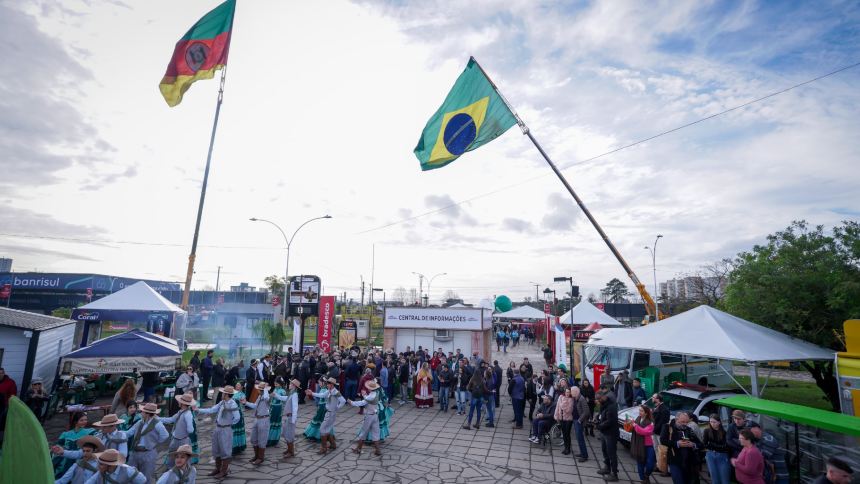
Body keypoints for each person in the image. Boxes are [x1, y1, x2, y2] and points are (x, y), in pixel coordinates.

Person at [196, 385, 240, 479]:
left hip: (225, 429)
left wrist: (228, 424)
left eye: (223, 393)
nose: (222, 394)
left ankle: (224, 471)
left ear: (227, 394)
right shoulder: (222, 402)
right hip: (218, 428)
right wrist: (198, 409)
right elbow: (212, 409)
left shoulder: (233, 404)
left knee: (225, 450)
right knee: (216, 449)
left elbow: (237, 417)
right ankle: (218, 468)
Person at [53, 413, 128, 468]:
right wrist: (63, 452)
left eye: (104, 427)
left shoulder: (121, 435)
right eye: (101, 427)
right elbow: (81, 453)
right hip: (98, 467)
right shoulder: (98, 436)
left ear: (113, 426)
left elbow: (123, 455)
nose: (102, 429)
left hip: (114, 467)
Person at [126, 402, 169, 484]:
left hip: (148, 453)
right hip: (135, 452)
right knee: (131, 475)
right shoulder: (140, 422)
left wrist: (154, 443)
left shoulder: (157, 424)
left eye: (142, 411)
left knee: (146, 477)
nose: (141, 412)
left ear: (148, 414)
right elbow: (129, 433)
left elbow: (165, 435)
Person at [306, 377, 346, 455]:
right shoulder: (329, 391)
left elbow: (343, 401)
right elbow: (322, 395)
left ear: (332, 385)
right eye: (327, 383)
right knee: (327, 429)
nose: (327, 385)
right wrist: (312, 393)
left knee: (322, 429)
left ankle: (324, 448)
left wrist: (337, 407)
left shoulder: (335, 392)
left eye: (329, 383)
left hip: (331, 413)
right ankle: (333, 444)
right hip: (329, 412)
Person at [661, 411, 703, 484]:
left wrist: (693, 444)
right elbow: (663, 440)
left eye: (687, 422)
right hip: (674, 460)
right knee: (678, 481)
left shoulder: (688, 429)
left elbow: (700, 444)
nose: (685, 424)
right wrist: (677, 444)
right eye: (682, 422)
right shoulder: (667, 427)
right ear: (677, 419)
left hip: (688, 461)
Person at [52, 413, 97, 478]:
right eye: (81, 420)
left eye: (85, 420)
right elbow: (59, 446)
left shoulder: (90, 432)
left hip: (81, 457)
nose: (84, 422)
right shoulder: (66, 434)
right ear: (76, 421)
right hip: (66, 460)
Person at [160, 393, 198, 469]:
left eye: (179, 401)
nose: (178, 402)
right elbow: (171, 419)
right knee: (171, 457)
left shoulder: (188, 414)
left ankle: (184, 476)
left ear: (182, 403)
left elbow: (190, 430)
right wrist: (157, 419)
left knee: (184, 461)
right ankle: (171, 473)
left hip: (183, 440)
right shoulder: (181, 412)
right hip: (175, 439)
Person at [348, 380, 382, 456]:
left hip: (369, 415)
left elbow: (363, 402)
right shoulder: (376, 393)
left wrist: (352, 402)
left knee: (363, 432)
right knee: (375, 433)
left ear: (370, 388)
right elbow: (368, 398)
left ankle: (358, 449)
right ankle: (378, 450)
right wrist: (364, 395)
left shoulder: (370, 396)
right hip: (375, 415)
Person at [241, 381, 271, 465]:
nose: (257, 390)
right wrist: (245, 403)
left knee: (262, 439)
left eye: (259, 389)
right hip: (257, 419)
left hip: (264, 419)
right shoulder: (260, 396)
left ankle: (260, 458)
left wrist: (265, 389)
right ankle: (256, 455)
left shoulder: (266, 396)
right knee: (253, 439)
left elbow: (266, 398)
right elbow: (254, 406)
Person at [596, 390, 620, 482]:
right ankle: (607, 467)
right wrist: (597, 417)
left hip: (611, 433)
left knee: (612, 454)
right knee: (604, 450)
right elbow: (603, 415)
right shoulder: (604, 404)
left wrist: (599, 426)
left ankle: (614, 474)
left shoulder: (611, 406)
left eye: (598, 399)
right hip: (604, 432)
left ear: (603, 397)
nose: (597, 401)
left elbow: (610, 421)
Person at [272, 378, 300, 458]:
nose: (289, 385)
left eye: (291, 384)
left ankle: (291, 451)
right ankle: (289, 449)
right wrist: (276, 395)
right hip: (288, 416)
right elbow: (285, 398)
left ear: (294, 386)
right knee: (286, 433)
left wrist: (294, 419)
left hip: (291, 417)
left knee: (289, 434)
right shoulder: (291, 393)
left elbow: (295, 407)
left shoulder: (294, 395)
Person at [702, 413, 731, 484]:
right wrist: (713, 446)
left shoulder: (724, 432)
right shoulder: (707, 431)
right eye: (711, 422)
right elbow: (704, 444)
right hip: (711, 454)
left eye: (714, 422)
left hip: (722, 455)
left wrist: (712, 445)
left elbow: (725, 447)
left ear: (719, 422)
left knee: (724, 478)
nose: (712, 424)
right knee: (714, 477)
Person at [631, 404, 656, 484]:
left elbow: (644, 432)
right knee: (640, 462)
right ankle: (643, 479)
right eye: (639, 410)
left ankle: (646, 475)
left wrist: (635, 425)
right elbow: (634, 428)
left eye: (641, 411)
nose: (640, 412)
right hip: (638, 444)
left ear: (646, 413)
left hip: (648, 445)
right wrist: (629, 425)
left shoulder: (651, 422)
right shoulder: (638, 418)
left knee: (650, 463)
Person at [652, 393, 670, 476]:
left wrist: (653, 429)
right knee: (656, 449)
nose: (652, 398)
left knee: (663, 451)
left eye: (653, 397)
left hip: (660, 433)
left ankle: (665, 469)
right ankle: (659, 465)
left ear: (658, 399)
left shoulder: (664, 409)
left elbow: (662, 422)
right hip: (655, 432)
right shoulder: (657, 407)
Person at [571, 386, 590, 462]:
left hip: (579, 421)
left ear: (576, 392)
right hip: (575, 420)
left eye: (572, 391)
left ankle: (584, 456)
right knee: (579, 438)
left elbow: (586, 411)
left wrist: (579, 420)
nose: (571, 393)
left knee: (580, 438)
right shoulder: (576, 398)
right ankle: (582, 453)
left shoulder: (582, 399)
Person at [554, 387, 574, 455]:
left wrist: (564, 402)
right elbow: (557, 407)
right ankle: (565, 447)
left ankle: (568, 448)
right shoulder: (560, 397)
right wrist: (556, 416)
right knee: (564, 434)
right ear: (564, 392)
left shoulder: (571, 399)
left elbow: (569, 410)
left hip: (568, 419)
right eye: (566, 392)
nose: (567, 394)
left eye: (569, 392)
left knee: (567, 434)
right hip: (561, 418)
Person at [230, 382, 247, 456]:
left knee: (238, 430)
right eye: (236, 385)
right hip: (231, 413)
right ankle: (233, 446)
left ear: (242, 387)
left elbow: (243, 403)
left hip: (239, 413)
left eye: (239, 385)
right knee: (233, 430)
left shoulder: (242, 394)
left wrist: (242, 401)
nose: (237, 386)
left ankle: (239, 446)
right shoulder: (232, 393)